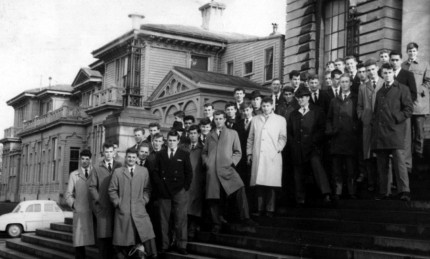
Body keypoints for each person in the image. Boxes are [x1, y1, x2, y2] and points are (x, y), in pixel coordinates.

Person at [202, 110, 256, 233]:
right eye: (216, 119)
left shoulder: (233, 133)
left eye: (220, 118)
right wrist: (207, 162)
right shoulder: (210, 135)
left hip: (227, 169)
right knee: (213, 198)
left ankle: (245, 217)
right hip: (213, 171)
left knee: (240, 188)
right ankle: (216, 223)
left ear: (225, 119)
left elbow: (238, 152)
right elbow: (204, 152)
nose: (218, 121)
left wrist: (231, 163)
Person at [372, 63, 413, 201]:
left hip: (395, 131)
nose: (387, 75)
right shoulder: (379, 92)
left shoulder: (403, 89)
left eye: (390, 72)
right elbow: (376, 112)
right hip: (381, 133)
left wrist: (397, 118)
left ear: (393, 73)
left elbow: (408, 109)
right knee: (382, 164)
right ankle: (384, 191)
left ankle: (404, 191)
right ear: (382, 75)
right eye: (385, 73)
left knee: (400, 162)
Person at [108, 148, 157, 259]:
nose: (131, 159)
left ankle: (149, 255)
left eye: (133, 157)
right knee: (124, 240)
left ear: (137, 158)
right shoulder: (118, 172)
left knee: (147, 233)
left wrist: (144, 200)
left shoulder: (143, 171)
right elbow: (112, 190)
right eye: (129, 157)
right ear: (126, 158)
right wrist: (118, 203)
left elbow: (147, 189)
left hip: (139, 209)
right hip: (123, 211)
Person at [287, 86, 331, 205]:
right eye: (298, 97)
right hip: (298, 148)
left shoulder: (317, 111)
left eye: (302, 97)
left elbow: (322, 129)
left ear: (308, 98)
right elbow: (289, 132)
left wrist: (314, 141)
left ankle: (326, 193)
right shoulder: (294, 114)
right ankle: (300, 197)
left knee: (317, 168)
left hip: (312, 148)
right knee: (298, 173)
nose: (300, 100)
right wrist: (293, 145)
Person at [152, 131, 192, 255]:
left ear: (178, 141)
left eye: (174, 140)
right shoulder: (160, 154)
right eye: (169, 140)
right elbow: (155, 173)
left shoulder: (184, 154)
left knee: (180, 219)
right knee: (164, 220)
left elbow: (189, 173)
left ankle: (181, 244)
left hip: (179, 191)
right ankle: (165, 244)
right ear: (166, 141)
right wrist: (160, 187)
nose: (171, 142)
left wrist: (184, 188)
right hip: (164, 191)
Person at [247, 97, 287, 217]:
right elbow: (250, 138)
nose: (265, 108)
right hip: (259, 155)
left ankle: (270, 209)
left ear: (272, 106)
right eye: (263, 106)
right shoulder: (255, 119)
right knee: (259, 184)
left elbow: (283, 137)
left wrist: (277, 149)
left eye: (268, 106)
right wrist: (249, 153)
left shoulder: (280, 120)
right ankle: (260, 209)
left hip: (273, 155)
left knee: (271, 184)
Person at [326, 74, 359, 200]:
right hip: (337, 139)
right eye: (342, 82)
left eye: (346, 82)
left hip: (350, 139)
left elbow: (358, 116)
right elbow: (329, 118)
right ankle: (338, 192)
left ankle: (352, 192)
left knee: (351, 168)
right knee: (337, 169)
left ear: (350, 83)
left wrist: (355, 128)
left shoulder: (355, 99)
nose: (344, 84)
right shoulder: (334, 101)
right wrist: (331, 130)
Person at [89, 142, 122, 259]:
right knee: (103, 239)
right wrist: (99, 199)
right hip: (103, 208)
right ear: (103, 153)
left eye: (110, 152)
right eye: (106, 152)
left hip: (117, 207)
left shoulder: (119, 166)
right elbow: (92, 186)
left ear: (114, 153)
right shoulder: (97, 169)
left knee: (116, 238)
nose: (108, 154)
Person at [357, 58, 383, 191]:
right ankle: (371, 182)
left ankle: (382, 183)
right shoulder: (362, 87)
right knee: (368, 154)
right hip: (367, 125)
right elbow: (359, 106)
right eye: (368, 70)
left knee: (381, 154)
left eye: (373, 69)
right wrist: (362, 117)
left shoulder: (384, 84)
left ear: (377, 68)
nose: (371, 72)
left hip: (382, 125)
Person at [401, 42, 430, 160]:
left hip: (419, 104)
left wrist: (419, 89)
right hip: (405, 103)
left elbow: (428, 81)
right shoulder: (403, 66)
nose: (412, 53)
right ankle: (408, 154)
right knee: (407, 131)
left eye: (414, 51)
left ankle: (418, 153)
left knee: (419, 131)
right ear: (406, 52)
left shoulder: (424, 64)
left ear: (417, 52)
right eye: (409, 51)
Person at [390, 50, 417, 173]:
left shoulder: (407, 74)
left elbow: (413, 94)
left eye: (397, 60)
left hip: (403, 112)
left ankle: (407, 167)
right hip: (389, 114)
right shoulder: (385, 74)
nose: (394, 62)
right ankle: (394, 167)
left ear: (401, 60)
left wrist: (402, 107)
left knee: (405, 140)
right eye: (392, 60)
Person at [65, 149, 95, 259]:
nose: (85, 161)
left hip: (94, 212)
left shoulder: (95, 173)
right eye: (82, 159)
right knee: (79, 243)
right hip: (81, 211)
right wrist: (74, 205)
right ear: (80, 160)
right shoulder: (74, 175)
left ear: (90, 160)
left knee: (98, 241)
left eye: (87, 159)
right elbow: (68, 194)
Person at [184, 125, 205, 240]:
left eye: (194, 133)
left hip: (197, 180)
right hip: (186, 181)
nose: (192, 135)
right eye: (190, 133)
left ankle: (192, 229)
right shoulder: (184, 148)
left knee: (196, 205)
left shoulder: (203, 148)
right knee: (186, 205)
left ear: (198, 134)